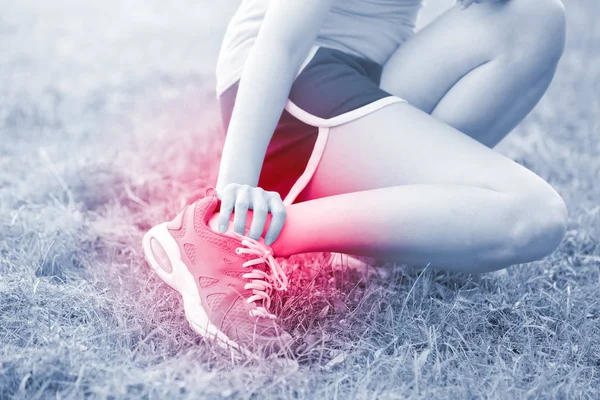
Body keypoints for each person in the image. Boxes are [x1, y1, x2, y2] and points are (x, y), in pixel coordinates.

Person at [143, 0, 568, 356]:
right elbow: (281, 41)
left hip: (373, 78)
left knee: (534, 17)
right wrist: (234, 193)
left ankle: (375, 239)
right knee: (532, 214)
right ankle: (228, 232)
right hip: (296, 86)